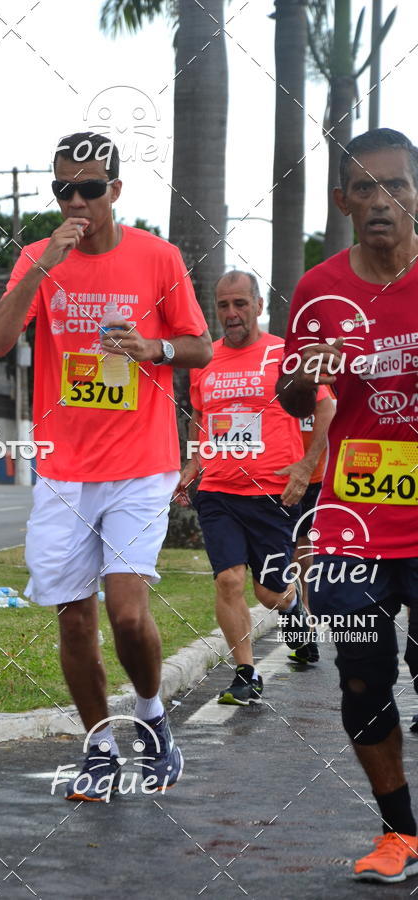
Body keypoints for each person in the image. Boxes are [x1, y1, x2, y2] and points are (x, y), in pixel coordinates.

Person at [0, 131, 212, 802]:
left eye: (88, 188)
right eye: (64, 189)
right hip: (64, 469)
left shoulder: (158, 257)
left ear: (115, 189)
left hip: (140, 463)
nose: (76, 201)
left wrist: (154, 348)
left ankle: (152, 716)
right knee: (74, 619)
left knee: (127, 614)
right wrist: (42, 266)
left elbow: (199, 346)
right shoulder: (38, 257)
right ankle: (100, 747)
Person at [277, 127, 418, 883]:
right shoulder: (319, 289)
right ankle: (399, 835)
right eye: (366, 188)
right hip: (353, 518)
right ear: (343, 202)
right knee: (362, 674)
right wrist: (308, 376)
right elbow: (292, 396)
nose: (382, 201)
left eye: (397, 185)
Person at [174, 271, 330, 705]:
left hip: (272, 493)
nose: (231, 313)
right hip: (219, 491)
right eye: (223, 305)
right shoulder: (206, 359)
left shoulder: (285, 355)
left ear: (259, 306)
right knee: (228, 580)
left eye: (240, 303)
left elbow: (327, 408)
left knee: (269, 592)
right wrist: (194, 461)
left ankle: (294, 611)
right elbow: (200, 416)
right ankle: (246, 673)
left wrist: (305, 467)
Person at [287, 389, 336, 664]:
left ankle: (305, 614)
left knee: (303, 542)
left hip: (320, 475)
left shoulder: (331, 383)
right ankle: (300, 614)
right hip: (276, 471)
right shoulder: (275, 377)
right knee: (293, 545)